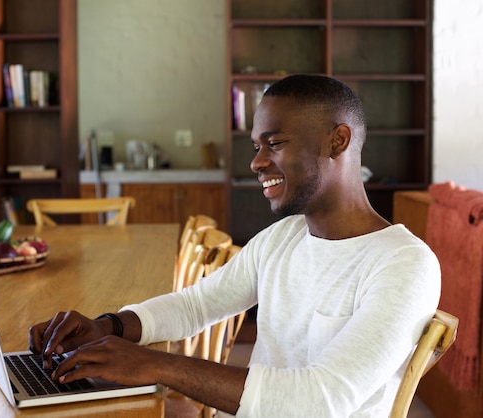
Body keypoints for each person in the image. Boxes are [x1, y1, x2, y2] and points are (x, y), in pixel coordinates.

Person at [29, 74, 440, 417]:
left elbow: (319, 401)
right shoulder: (284, 237)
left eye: (274, 143)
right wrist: (107, 327)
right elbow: (196, 305)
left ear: (338, 141)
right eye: (256, 146)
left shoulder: (403, 264)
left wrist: (154, 365)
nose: (257, 162)